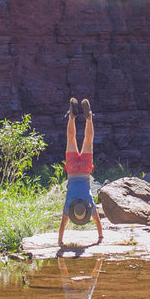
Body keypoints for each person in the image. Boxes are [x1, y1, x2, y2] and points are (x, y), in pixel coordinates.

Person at [58, 98, 104, 247]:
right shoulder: (69, 205)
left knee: (88, 139)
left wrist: (100, 237)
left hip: (84, 170)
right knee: (70, 138)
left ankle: (88, 118)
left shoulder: (89, 204)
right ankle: (73, 117)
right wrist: (60, 241)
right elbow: (63, 224)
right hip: (72, 170)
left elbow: (97, 222)